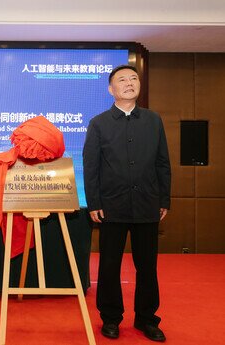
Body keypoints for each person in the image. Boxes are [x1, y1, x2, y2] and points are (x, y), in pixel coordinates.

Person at [83, 65, 171, 342]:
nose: (129, 83)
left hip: (147, 204)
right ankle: (110, 318)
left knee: (148, 266)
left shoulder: (153, 120)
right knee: (109, 265)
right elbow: (91, 166)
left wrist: (164, 198)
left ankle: (147, 319)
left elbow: (162, 163)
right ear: (111, 89)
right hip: (111, 205)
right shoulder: (99, 123)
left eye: (134, 78)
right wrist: (94, 201)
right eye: (122, 80)